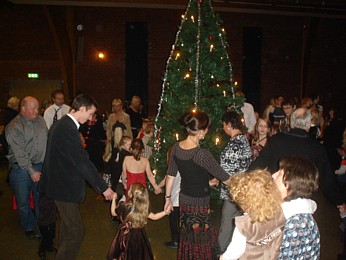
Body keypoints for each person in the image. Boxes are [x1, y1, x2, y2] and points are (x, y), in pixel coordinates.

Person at [39, 93, 114, 259]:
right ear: (82, 108)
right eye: (90, 113)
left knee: (67, 228)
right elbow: (82, 162)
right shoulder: (67, 129)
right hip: (62, 187)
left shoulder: (63, 125)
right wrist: (104, 188)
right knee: (76, 230)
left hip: (61, 185)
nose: (91, 117)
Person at [164, 111, 231, 260]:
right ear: (200, 131)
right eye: (206, 129)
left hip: (185, 200)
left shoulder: (176, 147)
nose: (207, 132)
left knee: (189, 235)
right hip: (200, 202)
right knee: (201, 236)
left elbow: (171, 176)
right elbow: (225, 178)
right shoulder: (202, 154)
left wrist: (167, 199)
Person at [250, 108, 345, 210]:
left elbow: (259, 164)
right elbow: (327, 180)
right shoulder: (316, 148)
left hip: (276, 196)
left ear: (291, 122)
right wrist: (339, 201)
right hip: (300, 203)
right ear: (309, 123)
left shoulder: (276, 140)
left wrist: (245, 181)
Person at [5, 96, 48, 239]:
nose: (37, 111)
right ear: (23, 108)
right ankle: (28, 225)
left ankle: (39, 225)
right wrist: (32, 171)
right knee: (23, 200)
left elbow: (46, 142)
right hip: (20, 169)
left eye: (38, 108)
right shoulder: (13, 126)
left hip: (39, 165)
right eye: (34, 108)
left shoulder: (41, 120)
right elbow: (20, 153)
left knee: (39, 199)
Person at [221, 169, 285, 260]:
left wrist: (223, 258)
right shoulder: (280, 211)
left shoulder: (244, 225)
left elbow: (234, 252)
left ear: (244, 203)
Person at [273, 156, 320, 259]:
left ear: (291, 183)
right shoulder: (290, 215)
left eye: (279, 174)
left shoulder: (295, 225)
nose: (273, 176)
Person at [218, 111, 252, 253]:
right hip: (243, 188)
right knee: (239, 220)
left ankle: (221, 250)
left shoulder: (233, 145)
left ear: (230, 125)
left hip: (232, 191)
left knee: (227, 221)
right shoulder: (244, 140)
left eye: (224, 124)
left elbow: (226, 171)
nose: (223, 127)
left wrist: (218, 177)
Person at [108, 182, 168, 260]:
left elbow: (113, 213)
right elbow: (154, 216)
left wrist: (113, 199)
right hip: (139, 236)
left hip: (125, 235)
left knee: (124, 252)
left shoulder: (123, 206)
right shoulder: (142, 209)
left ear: (130, 194)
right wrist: (165, 212)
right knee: (138, 253)